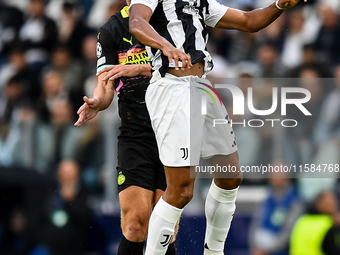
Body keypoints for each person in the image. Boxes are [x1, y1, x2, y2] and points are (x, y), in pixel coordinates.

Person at [123, 0, 306, 254]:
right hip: (172, 88)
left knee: (230, 176)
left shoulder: (200, 1)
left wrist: (279, 5)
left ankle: (213, 252)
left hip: (202, 86)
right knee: (181, 190)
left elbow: (248, 21)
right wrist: (165, 46)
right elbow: (136, 22)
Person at [74, 4, 177, 255]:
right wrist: (98, 102)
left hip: (173, 131)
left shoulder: (173, 20)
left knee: (164, 229)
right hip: (135, 134)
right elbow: (106, 85)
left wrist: (139, 69)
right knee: (135, 225)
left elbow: (185, 68)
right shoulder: (111, 29)